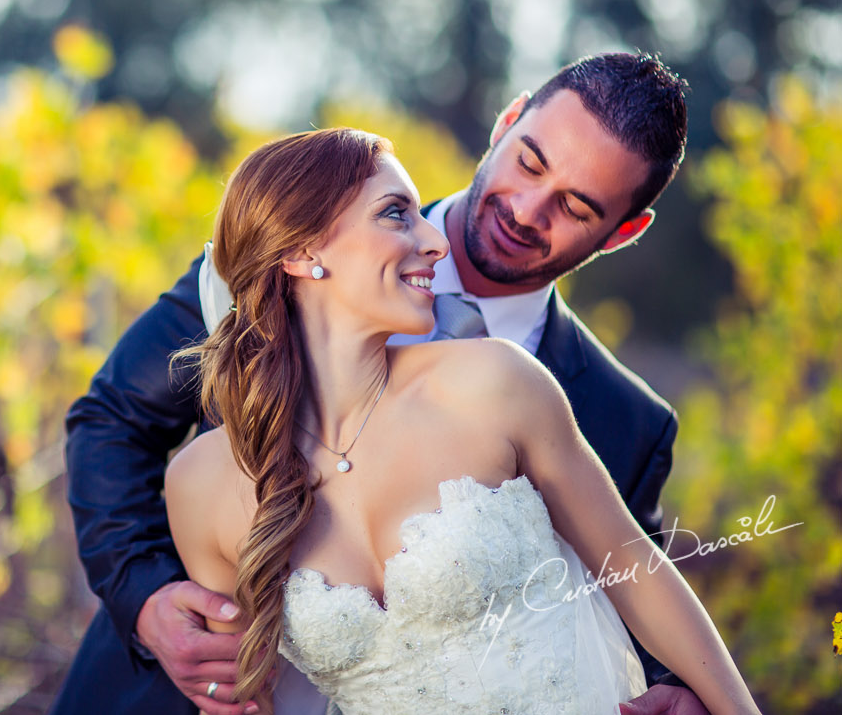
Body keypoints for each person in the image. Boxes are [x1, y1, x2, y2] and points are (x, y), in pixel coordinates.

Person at [53, 53, 704, 715]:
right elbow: (112, 420)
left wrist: (676, 686)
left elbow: (625, 579)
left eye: (575, 205)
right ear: (507, 122)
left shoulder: (627, 423)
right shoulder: (286, 246)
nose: (527, 209)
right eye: (530, 162)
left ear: (622, 233)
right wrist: (147, 597)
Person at [162, 127, 759, 714]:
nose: (436, 242)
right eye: (396, 214)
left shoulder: (495, 383)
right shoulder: (201, 484)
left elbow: (639, 572)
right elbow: (243, 699)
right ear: (301, 251)